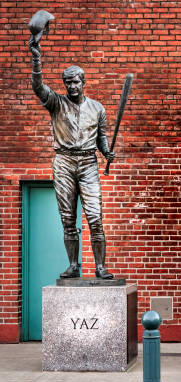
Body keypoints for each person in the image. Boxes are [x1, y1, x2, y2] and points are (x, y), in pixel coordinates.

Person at [29, 37, 115, 279]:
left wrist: (106, 152)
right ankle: (73, 265)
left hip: (88, 163)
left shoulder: (98, 108)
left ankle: (100, 267)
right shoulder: (56, 103)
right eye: (67, 83)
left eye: (75, 82)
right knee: (68, 218)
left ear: (83, 82)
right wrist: (37, 58)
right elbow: (38, 87)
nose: (71, 87)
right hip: (64, 163)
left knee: (95, 217)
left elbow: (102, 137)